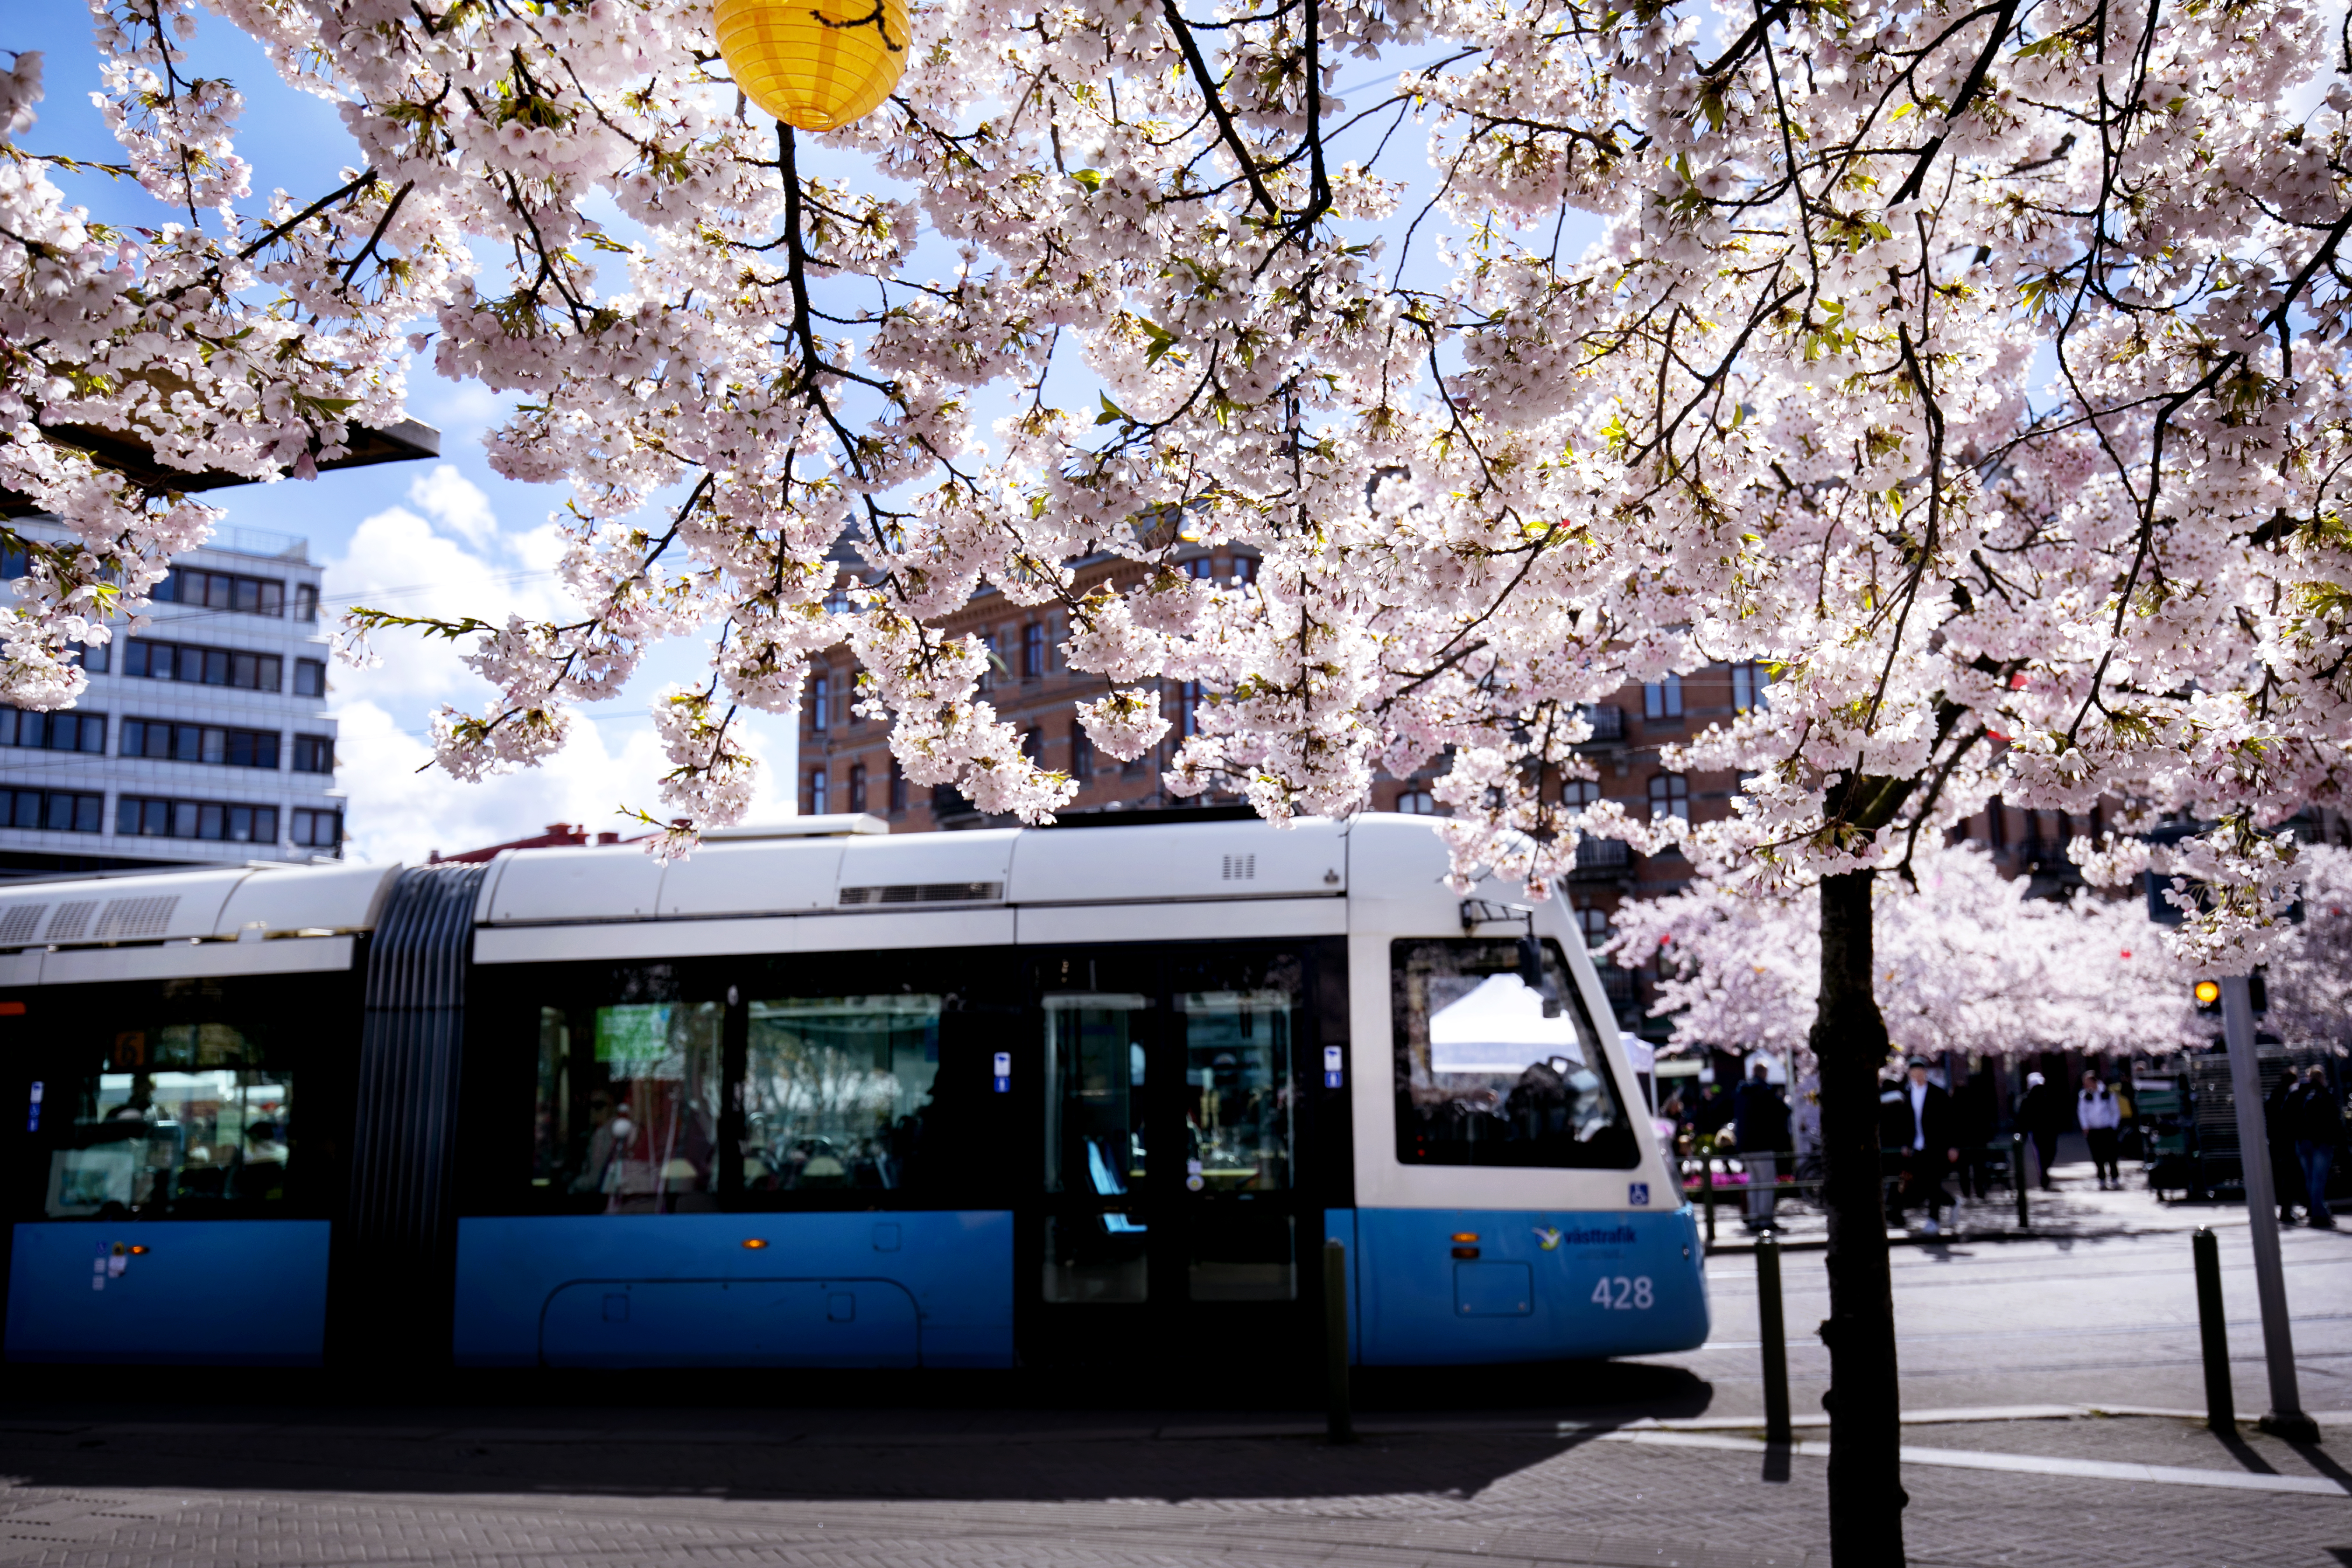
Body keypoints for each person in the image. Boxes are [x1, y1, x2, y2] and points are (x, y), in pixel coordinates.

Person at [1887, 1058, 1959, 1235]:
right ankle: (1952, 1202)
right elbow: (1906, 1122)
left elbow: (1950, 1121)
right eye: (1914, 1071)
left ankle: (1934, 1221)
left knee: (1933, 1181)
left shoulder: (1938, 1093)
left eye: (1920, 1071)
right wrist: (1906, 1143)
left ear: (1925, 1072)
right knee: (1921, 1182)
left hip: (1936, 1145)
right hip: (1917, 1146)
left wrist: (1952, 1146)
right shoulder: (1908, 1092)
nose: (1917, 1075)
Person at [1733, 1062, 1791, 1231]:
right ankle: (1765, 1220)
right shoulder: (1764, 1091)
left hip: (1745, 1144)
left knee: (1753, 1183)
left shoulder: (1741, 1092)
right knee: (1766, 1183)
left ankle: (1754, 1220)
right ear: (1764, 1073)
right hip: (1762, 1144)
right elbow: (1784, 1111)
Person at [2291, 1065, 2343, 1230]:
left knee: (2310, 1179)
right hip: (2322, 1142)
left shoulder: (2299, 1093)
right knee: (2319, 1180)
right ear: (2321, 1078)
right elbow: (2335, 1119)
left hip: (2302, 1141)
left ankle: (2318, 1211)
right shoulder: (2324, 1094)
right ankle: (2318, 1214)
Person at [2267, 1069, 2308, 1224]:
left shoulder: (2275, 1095)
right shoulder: (2290, 1095)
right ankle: (2292, 1209)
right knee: (2293, 1176)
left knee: (2289, 1177)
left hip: (2278, 1142)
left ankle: (2299, 1206)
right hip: (2288, 1141)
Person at [2017, 1070, 2063, 1191]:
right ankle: (2044, 1178)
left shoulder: (2048, 1096)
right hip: (2037, 1131)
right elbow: (2023, 1118)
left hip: (2050, 1130)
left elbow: (2056, 1112)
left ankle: (2044, 1174)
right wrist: (2023, 1133)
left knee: (2049, 1153)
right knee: (2041, 1155)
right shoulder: (2027, 1100)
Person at [2078, 1070, 2123, 1190]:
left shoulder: (2108, 1094)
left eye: (2088, 1082)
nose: (2086, 1085)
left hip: (2107, 1129)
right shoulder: (2085, 1096)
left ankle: (2115, 1177)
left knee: (2112, 1155)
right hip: (2093, 1130)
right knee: (2097, 1156)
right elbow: (2082, 1112)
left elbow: (2115, 1111)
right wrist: (2085, 1126)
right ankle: (2102, 1179)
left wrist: (2114, 1126)